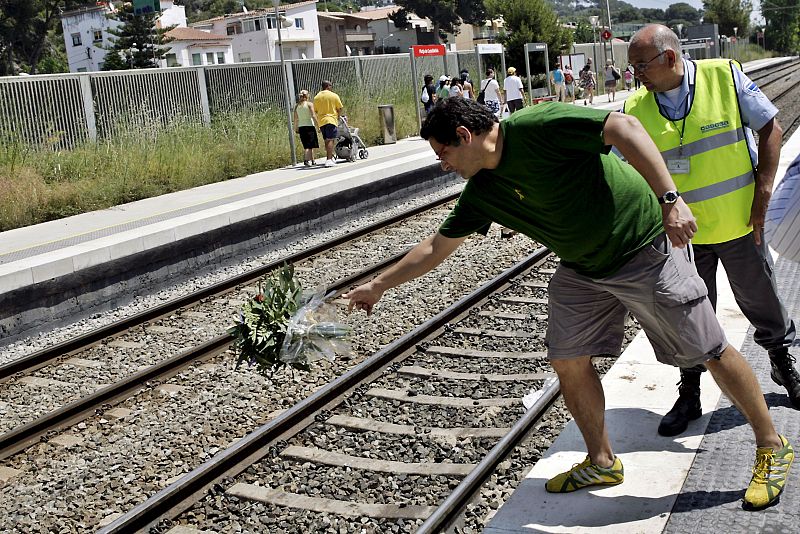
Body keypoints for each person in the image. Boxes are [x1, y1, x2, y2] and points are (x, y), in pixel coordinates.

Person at [345, 97, 794, 512]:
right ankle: (602, 461)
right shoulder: (483, 190)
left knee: (708, 349)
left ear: (465, 135)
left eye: (442, 152)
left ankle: (772, 445)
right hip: (584, 267)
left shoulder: (538, 127)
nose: (441, 164)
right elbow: (436, 246)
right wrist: (379, 286)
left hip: (642, 248)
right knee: (567, 358)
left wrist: (670, 200)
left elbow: (625, 126)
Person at [624, 24, 800, 437]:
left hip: (739, 224)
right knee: (685, 317)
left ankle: (782, 362)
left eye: (641, 66)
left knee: (763, 301)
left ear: (669, 58)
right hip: (680, 239)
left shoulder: (724, 76)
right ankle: (690, 392)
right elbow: (620, 169)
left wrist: (764, 188)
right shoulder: (634, 107)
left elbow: (770, 128)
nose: (637, 75)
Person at [313, 80, 344, 168]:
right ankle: (329, 159)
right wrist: (338, 116)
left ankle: (330, 157)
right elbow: (340, 108)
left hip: (322, 121)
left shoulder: (317, 97)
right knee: (330, 140)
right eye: (331, 86)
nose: (331, 88)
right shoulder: (333, 95)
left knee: (327, 140)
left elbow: (315, 110)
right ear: (328, 86)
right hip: (331, 119)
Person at [292, 89, 319, 167]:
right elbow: (313, 116)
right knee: (309, 145)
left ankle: (313, 160)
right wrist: (318, 126)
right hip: (309, 125)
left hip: (301, 126)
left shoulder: (297, 106)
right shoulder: (309, 104)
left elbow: (295, 119)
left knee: (308, 144)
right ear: (307, 96)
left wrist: (295, 128)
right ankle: (306, 160)